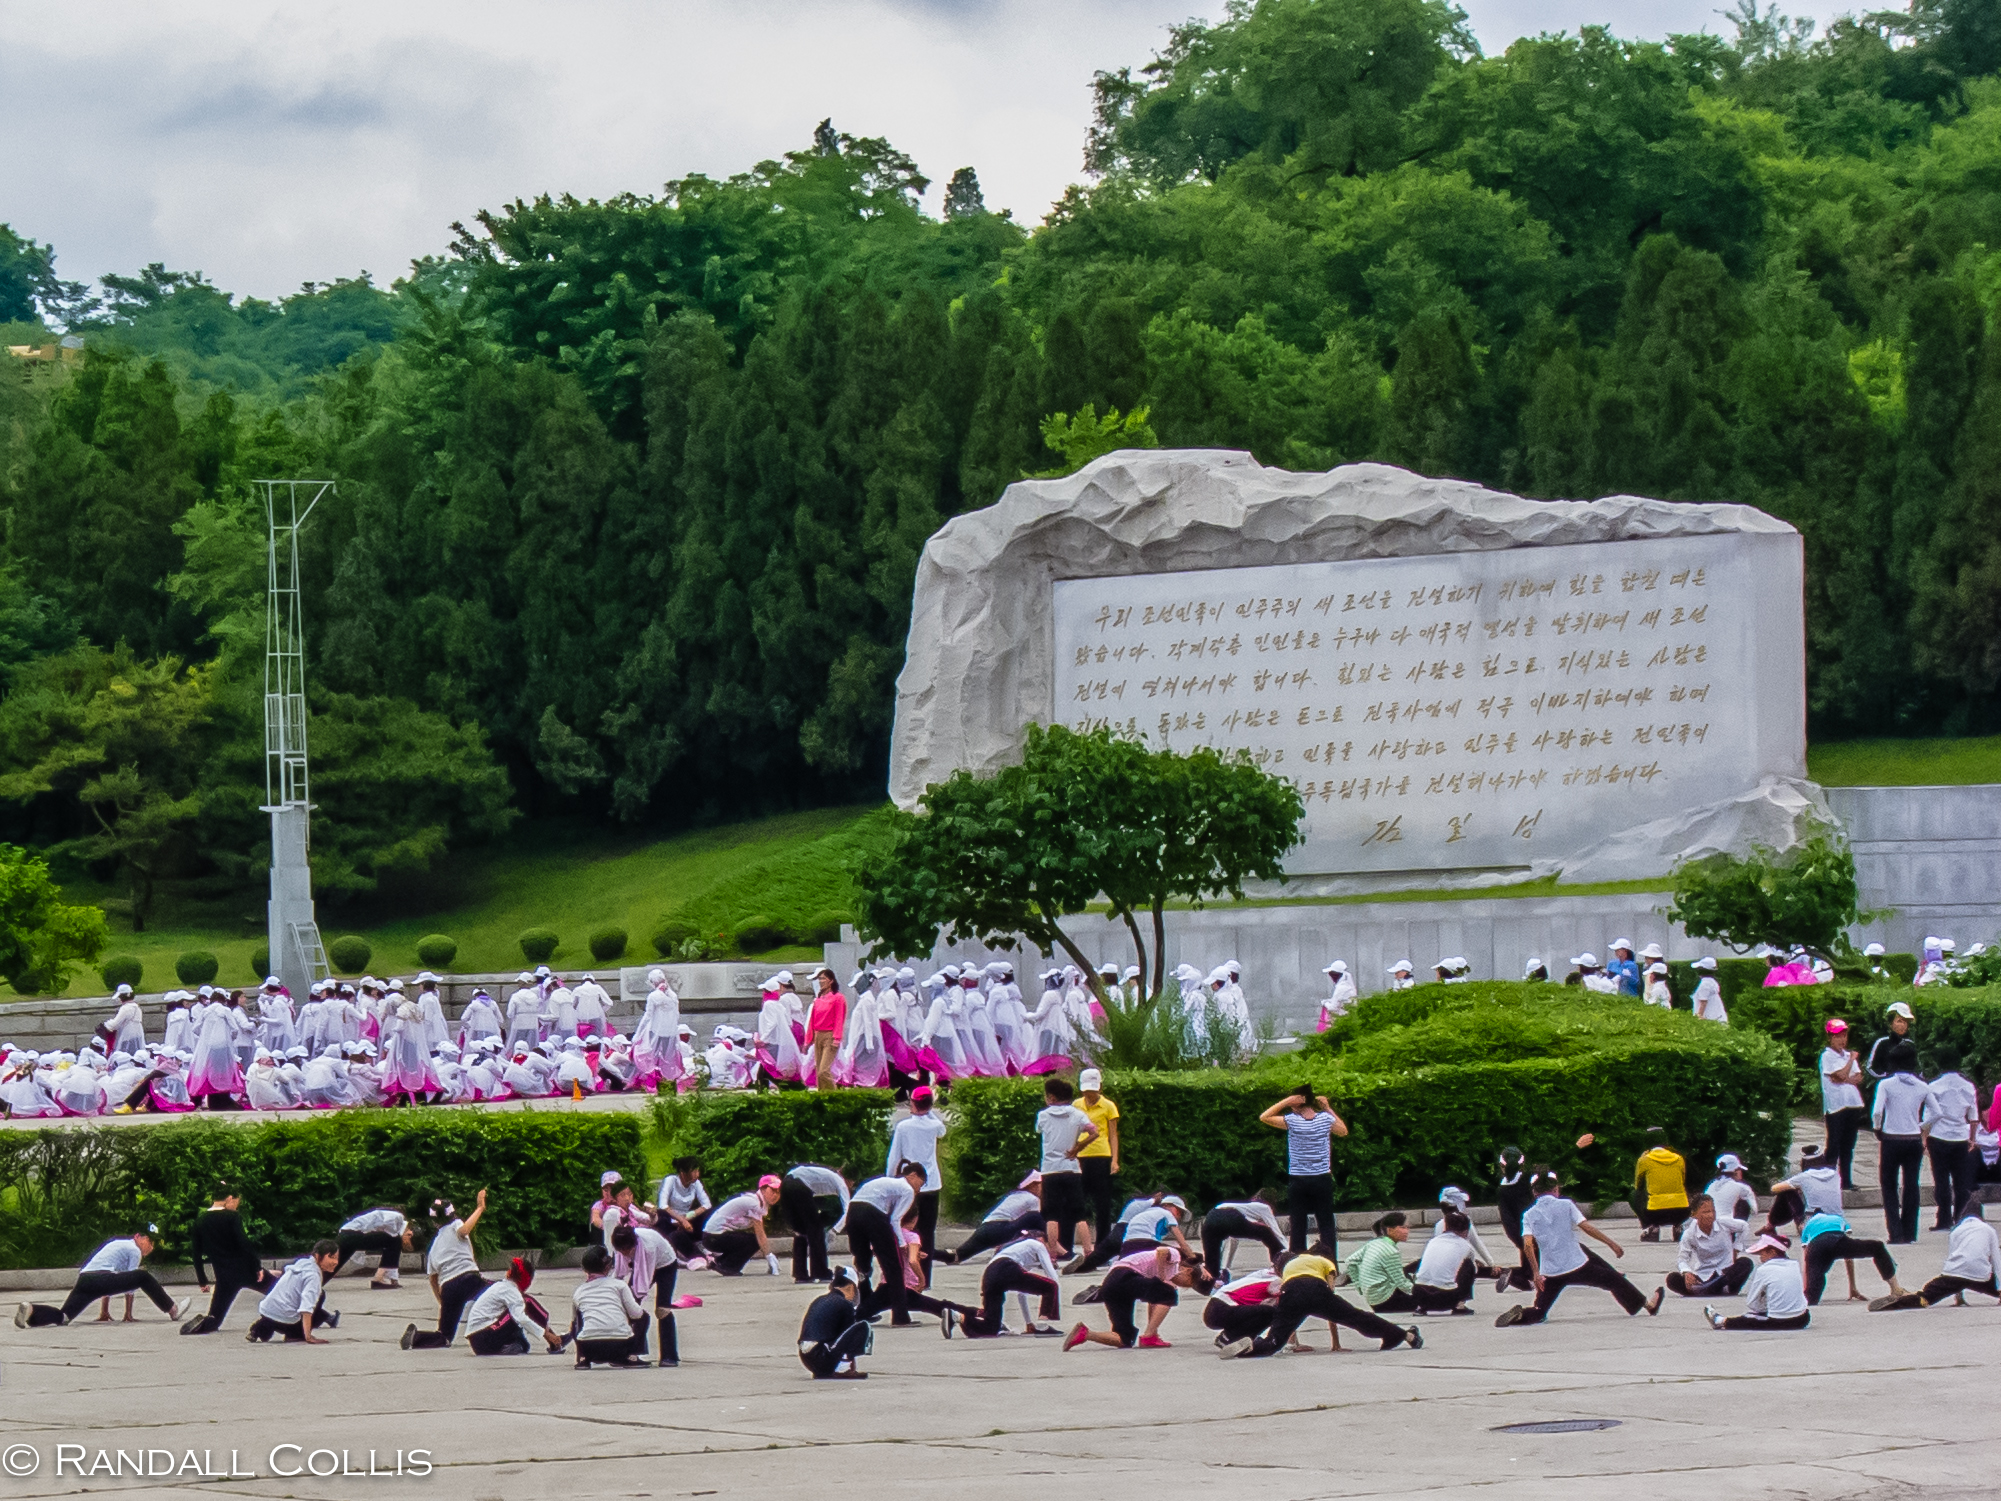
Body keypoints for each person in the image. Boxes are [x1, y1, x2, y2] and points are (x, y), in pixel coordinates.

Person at [1494, 1170, 1660, 1326]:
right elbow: (1586, 1227)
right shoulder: (1566, 1205)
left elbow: (1528, 1245)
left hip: (1551, 1272)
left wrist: (1536, 1274)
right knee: (1614, 1279)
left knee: (1540, 1310)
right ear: (1555, 1188)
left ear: (1535, 1192)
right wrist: (1611, 1243)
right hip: (1577, 1265)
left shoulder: (1529, 1214)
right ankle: (1649, 1305)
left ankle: (1523, 1315)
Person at [1220, 1246, 1420, 1357]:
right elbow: (1330, 1289)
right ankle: (1404, 1335)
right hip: (1316, 1289)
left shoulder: (1289, 1268)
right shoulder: (1323, 1261)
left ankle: (1253, 1347)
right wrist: (1332, 1313)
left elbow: (1282, 1295)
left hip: (1291, 1292)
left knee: (1274, 1341)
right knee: (1358, 1318)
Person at [17, 1229, 189, 1328]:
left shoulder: (116, 1244)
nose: (150, 1247)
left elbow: (110, 1282)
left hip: (85, 1279)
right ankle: (172, 1309)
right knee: (142, 1276)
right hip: (100, 1279)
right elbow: (130, 1283)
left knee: (65, 1317)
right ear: (138, 1237)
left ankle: (32, 1312)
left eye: (152, 1245)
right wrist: (128, 1315)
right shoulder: (133, 1249)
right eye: (148, 1241)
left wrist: (104, 1311)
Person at [1061, 1242, 1212, 1351]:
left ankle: (1086, 1334)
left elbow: (1155, 1302)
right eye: (1187, 1283)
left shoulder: (1166, 1277)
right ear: (1187, 1271)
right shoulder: (1175, 1257)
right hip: (1124, 1274)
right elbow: (1161, 1251)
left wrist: (1153, 1329)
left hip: (1111, 1285)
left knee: (1124, 1339)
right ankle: (1148, 1336)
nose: (1181, 1285)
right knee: (1168, 1292)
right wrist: (1160, 1275)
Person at [1259, 1086, 1347, 1255]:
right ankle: (1330, 1261)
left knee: (1298, 1223)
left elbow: (1264, 1116)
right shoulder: (1325, 1119)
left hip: (1298, 1179)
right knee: (1326, 1222)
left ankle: (1297, 1259)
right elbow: (1343, 1131)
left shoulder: (1291, 1120)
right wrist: (1327, 1108)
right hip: (1322, 1178)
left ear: (1297, 1101)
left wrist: (1285, 1102)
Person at [1871, 1199, 2001, 1311]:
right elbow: (1997, 1260)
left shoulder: (1956, 1231)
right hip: (1979, 1275)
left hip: (1954, 1274)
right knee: (1978, 1281)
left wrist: (1958, 1295)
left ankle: (1903, 1301)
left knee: (1926, 1296)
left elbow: (1953, 1256)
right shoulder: (1988, 1230)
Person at [841, 1162, 929, 1325]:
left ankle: (863, 1308)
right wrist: (902, 1245)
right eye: (921, 1184)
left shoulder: (884, 1182)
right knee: (894, 1267)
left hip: (853, 1212)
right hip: (873, 1214)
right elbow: (895, 1219)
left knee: (862, 1262)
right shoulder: (907, 1189)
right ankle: (900, 1316)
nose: (919, 1190)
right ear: (913, 1176)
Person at [182, 1186, 275, 1335]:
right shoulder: (232, 1217)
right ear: (229, 1198)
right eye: (236, 1202)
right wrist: (257, 1267)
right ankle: (318, 1315)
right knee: (279, 1291)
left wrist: (202, 1280)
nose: (236, 1206)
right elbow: (244, 1243)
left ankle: (203, 1324)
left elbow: (196, 1253)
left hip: (224, 1277)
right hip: (246, 1270)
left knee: (215, 1319)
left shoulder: (200, 1220)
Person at [405, 1190, 490, 1348]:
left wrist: (443, 1302)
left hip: (448, 1288)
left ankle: (417, 1338)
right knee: (498, 1292)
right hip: (468, 1278)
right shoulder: (455, 1225)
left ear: (434, 1222)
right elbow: (464, 1230)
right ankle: (505, 1331)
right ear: (452, 1215)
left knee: (444, 1336)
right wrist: (480, 1208)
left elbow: (433, 1279)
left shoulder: (433, 1247)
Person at [957, 1226, 1065, 1337]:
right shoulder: (1037, 1245)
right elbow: (1052, 1278)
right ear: (1043, 1240)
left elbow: (1021, 1294)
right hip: (1006, 1267)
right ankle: (1043, 1326)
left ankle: (958, 1317)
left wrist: (1028, 1323)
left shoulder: (1018, 1251)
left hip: (989, 1274)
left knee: (991, 1327)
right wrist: (1054, 1294)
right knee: (1050, 1286)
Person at [1872, 1040, 1928, 1244]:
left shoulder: (1886, 1084)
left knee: (1889, 1185)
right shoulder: (1922, 1086)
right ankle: (1910, 1232)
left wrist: (1877, 1128)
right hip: (1913, 1139)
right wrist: (1922, 1125)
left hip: (1891, 1139)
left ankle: (1895, 1233)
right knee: (1912, 1184)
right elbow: (1937, 1112)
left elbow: (1877, 1111)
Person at [1035, 1078, 1098, 1257]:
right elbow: (1095, 1132)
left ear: (1052, 1097)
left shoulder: (1043, 1115)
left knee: (1051, 1215)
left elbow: (1039, 1130)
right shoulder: (1078, 1115)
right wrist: (1077, 1148)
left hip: (1050, 1170)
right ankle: (1088, 1252)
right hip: (1071, 1169)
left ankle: (1053, 1255)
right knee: (1079, 1213)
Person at [1799, 1203, 1907, 1306]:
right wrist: (1852, 1286)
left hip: (1816, 1247)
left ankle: (1806, 1298)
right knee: (1877, 1247)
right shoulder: (1837, 1219)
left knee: (1811, 1296)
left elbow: (1806, 1258)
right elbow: (1848, 1255)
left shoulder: (1807, 1226)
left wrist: (1808, 1284)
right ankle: (1896, 1288)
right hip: (1837, 1241)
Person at [886, 1084, 948, 1264]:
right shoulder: (934, 1125)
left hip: (909, 1183)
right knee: (928, 1231)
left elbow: (894, 1155)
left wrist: (890, 1178)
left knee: (907, 1228)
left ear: (913, 1103)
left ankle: (908, 1270)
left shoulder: (903, 1126)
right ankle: (925, 1275)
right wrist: (928, 1111)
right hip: (932, 1183)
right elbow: (942, 1131)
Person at [1921, 1043, 1980, 1230]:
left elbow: (1928, 1117)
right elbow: (1973, 1117)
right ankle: (1961, 1216)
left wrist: (1924, 1138)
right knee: (1961, 1180)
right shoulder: (1968, 1086)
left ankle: (1943, 1218)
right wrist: (1972, 1138)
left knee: (1941, 1180)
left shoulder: (1934, 1087)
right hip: (1961, 1137)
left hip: (1938, 1137)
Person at [609, 1220, 683, 1365]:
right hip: (643, 1266)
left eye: (626, 1249)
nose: (623, 1253)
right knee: (628, 1306)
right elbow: (618, 1274)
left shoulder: (647, 1248)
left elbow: (644, 1279)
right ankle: (626, 1352)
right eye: (621, 1250)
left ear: (634, 1244)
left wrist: (633, 1302)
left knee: (662, 1309)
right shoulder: (620, 1247)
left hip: (665, 1265)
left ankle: (669, 1356)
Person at [1702, 1234, 1809, 1331]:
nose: (1760, 1258)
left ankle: (1721, 1321)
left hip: (1781, 1321)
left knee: (1750, 1317)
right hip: (1802, 1319)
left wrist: (1764, 1307)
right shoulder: (1794, 1265)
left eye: (1762, 1254)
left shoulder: (1764, 1270)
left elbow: (1752, 1303)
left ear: (1772, 1252)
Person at [462, 1256, 566, 1355]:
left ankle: (522, 1343)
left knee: (524, 1345)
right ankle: (553, 1338)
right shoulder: (511, 1291)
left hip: (478, 1341)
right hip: (484, 1337)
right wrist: (546, 1333)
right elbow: (520, 1318)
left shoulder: (502, 1286)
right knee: (527, 1302)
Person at [245, 1241, 341, 1343]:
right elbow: (307, 1308)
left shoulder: (302, 1263)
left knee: (273, 1318)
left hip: (267, 1310)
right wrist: (308, 1337)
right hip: (286, 1319)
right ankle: (295, 1334)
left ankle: (259, 1329)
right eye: (331, 1257)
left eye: (336, 1258)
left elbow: (285, 1272)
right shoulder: (313, 1276)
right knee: (320, 1296)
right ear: (318, 1256)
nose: (336, 1262)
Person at [1662, 1195, 1753, 1299]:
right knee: (1672, 1279)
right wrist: (1687, 1272)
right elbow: (1682, 1258)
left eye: (1712, 1211)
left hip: (1726, 1274)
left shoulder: (1723, 1223)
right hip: (1704, 1276)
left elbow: (1744, 1226)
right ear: (1695, 1214)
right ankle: (1708, 1289)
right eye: (1705, 1212)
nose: (1710, 1215)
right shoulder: (1690, 1233)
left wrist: (1736, 1249)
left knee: (1745, 1263)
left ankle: (1707, 1290)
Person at [571, 1245, 648, 1368]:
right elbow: (636, 1314)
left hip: (589, 1347)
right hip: (620, 1347)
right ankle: (632, 1357)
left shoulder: (579, 1291)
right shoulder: (619, 1285)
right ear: (607, 1266)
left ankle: (583, 1359)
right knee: (644, 1316)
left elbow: (575, 1325)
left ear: (584, 1269)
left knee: (578, 1318)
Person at [1075, 1068, 1121, 1248]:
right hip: (1080, 1156)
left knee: (1103, 1203)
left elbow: (1113, 1135)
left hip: (1101, 1155)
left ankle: (1103, 1243)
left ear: (1099, 1088)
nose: (1090, 1094)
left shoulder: (1108, 1106)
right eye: (1087, 1091)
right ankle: (1070, 1243)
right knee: (1078, 1201)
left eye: (1093, 1090)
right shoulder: (1076, 1105)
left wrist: (1115, 1160)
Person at [780, 1164, 849, 1283]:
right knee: (816, 1229)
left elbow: (810, 1202)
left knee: (801, 1231)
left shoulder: (824, 1178)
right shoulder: (840, 1181)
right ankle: (821, 1272)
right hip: (799, 1184)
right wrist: (835, 1230)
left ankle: (800, 1274)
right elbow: (848, 1209)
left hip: (786, 1184)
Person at [1820, 1019, 1867, 1190]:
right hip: (1836, 1106)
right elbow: (1837, 1076)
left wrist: (1845, 1076)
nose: (1842, 1040)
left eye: (1844, 1035)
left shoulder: (1848, 1055)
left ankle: (1846, 1181)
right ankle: (1828, 1179)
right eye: (1838, 1036)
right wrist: (1849, 1064)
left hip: (1852, 1104)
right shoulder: (1827, 1056)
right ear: (1830, 1038)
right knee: (1834, 1144)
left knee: (1849, 1144)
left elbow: (1859, 1078)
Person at [798, 1267, 870, 1379]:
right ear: (851, 1287)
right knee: (862, 1327)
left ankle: (827, 1370)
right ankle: (842, 1368)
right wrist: (851, 1367)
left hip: (806, 1357)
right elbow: (847, 1335)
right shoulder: (845, 1305)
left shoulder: (821, 1299)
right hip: (822, 1356)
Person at [701, 1177, 783, 1276]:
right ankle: (728, 1266)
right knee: (754, 1241)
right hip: (713, 1237)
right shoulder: (754, 1203)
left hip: (712, 1236)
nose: (775, 1195)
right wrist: (769, 1256)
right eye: (772, 1190)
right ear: (762, 1189)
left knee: (747, 1238)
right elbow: (760, 1234)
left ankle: (720, 1262)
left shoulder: (758, 1201)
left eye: (778, 1192)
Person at [1201, 1194, 1286, 1276]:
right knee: (1265, 1232)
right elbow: (1276, 1230)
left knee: (1211, 1257)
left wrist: (1226, 1266)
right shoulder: (1264, 1207)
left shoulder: (1244, 1208)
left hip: (1211, 1217)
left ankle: (1212, 1278)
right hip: (1229, 1215)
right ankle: (1279, 1260)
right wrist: (1287, 1250)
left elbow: (1233, 1240)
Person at [333, 1206, 412, 1289]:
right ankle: (378, 1279)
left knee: (334, 1265)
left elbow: (392, 1249)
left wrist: (394, 1279)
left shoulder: (391, 1221)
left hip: (347, 1235)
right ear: (410, 1233)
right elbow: (393, 1238)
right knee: (394, 1241)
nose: (406, 1243)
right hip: (352, 1234)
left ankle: (321, 1279)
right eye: (409, 1240)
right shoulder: (398, 1217)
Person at [1633, 1131, 1691, 1242]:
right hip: (1681, 1210)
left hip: (1655, 1212)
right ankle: (1678, 1227)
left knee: (1634, 1194)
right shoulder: (1678, 1158)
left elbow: (1638, 1185)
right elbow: (1683, 1180)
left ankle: (1652, 1228)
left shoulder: (1645, 1160)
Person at [657, 1157, 713, 1263]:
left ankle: (702, 1242)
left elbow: (707, 1204)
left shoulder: (696, 1183)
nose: (697, 1174)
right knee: (662, 1217)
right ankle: (685, 1252)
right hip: (671, 1219)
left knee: (709, 1213)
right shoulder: (671, 1180)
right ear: (683, 1173)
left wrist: (688, 1217)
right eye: (694, 1171)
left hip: (688, 1218)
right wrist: (681, 1220)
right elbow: (663, 1205)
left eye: (698, 1171)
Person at [806, 968, 846, 1090]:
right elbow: (812, 1020)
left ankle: (833, 1096)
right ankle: (823, 1097)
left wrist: (837, 1038)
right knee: (819, 1072)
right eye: (820, 979)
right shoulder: (819, 999)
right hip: (818, 1035)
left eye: (823, 978)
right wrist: (809, 1039)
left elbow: (839, 1018)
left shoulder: (838, 998)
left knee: (824, 1070)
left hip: (829, 1035)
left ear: (831, 981)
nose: (821, 981)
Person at [1705, 1154, 1758, 1229]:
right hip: (1725, 1227)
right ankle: (1736, 1237)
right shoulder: (1742, 1187)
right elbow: (1754, 1210)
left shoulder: (1710, 1186)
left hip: (1705, 1225)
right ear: (1735, 1171)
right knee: (1744, 1202)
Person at [1866, 1001, 1915, 1078]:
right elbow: (1871, 1068)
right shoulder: (1882, 1043)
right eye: (1899, 1021)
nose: (1903, 1025)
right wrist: (1887, 1076)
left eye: (1906, 1022)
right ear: (1890, 1022)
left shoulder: (1911, 1044)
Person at [1317, 962, 1357, 1030]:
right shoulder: (1348, 984)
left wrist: (1324, 1003)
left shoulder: (1341, 988)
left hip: (1341, 1020)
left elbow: (1333, 1007)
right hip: (1349, 1017)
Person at [1689, 957, 1728, 1022]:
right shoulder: (1712, 982)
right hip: (1718, 1018)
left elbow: (1703, 1002)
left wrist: (1698, 1018)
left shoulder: (1705, 984)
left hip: (1710, 1020)